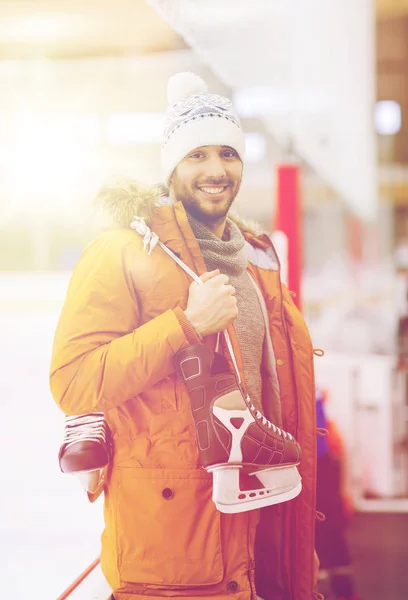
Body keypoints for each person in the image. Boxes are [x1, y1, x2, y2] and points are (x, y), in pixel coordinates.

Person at [50, 72, 319, 600]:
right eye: (196, 156)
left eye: (228, 153)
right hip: (175, 555)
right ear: (170, 166)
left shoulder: (256, 261)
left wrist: (299, 539)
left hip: (267, 526)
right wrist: (184, 325)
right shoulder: (121, 253)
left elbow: (279, 396)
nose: (216, 170)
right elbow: (75, 382)